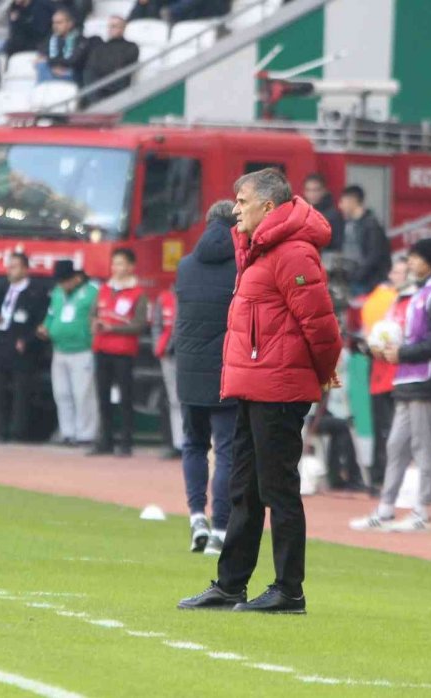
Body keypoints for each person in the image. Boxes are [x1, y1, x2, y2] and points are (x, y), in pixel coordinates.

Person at [179, 168, 341, 614]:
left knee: (278, 490)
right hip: (256, 383)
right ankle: (231, 584)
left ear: (268, 207)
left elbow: (321, 325)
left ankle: (289, 590)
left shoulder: (293, 253)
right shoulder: (259, 249)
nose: (235, 210)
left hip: (280, 388)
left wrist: (323, 372)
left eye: (242, 201)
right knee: (244, 490)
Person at [351, 238, 431, 533]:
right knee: (396, 444)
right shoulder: (418, 293)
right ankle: (386, 508)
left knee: (423, 446)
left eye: (415, 257)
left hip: (427, 380)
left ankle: (421, 511)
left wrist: (402, 353)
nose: (409, 262)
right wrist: (379, 348)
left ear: (429, 260)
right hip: (408, 378)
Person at [174, 201, 238, 555]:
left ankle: (197, 517)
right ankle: (221, 529)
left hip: (188, 369)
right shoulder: (243, 265)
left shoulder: (185, 266)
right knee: (226, 451)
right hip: (227, 370)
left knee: (194, 445)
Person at [359, 257, 411, 488]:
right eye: (397, 272)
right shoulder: (378, 300)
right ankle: (382, 476)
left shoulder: (409, 299)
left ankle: (393, 477)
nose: (399, 276)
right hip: (383, 373)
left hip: (403, 373)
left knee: (397, 429)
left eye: (404, 272)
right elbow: (370, 336)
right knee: (385, 427)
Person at [89, 248, 146, 457]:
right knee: (102, 397)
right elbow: (93, 313)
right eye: (114, 263)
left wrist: (113, 328)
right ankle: (105, 440)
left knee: (125, 397)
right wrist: (94, 323)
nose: (116, 268)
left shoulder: (138, 293)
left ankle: (126, 441)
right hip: (101, 348)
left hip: (123, 351)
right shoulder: (104, 289)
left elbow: (140, 324)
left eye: (121, 263)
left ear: (131, 267)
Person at [0, 253, 48, 442]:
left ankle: (17, 432)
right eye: (9, 266)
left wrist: (28, 340)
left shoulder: (36, 292)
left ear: (25, 269)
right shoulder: (2, 288)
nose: (9, 270)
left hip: (22, 345)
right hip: (3, 341)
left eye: (14, 266)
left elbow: (40, 320)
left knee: (21, 391)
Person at [38, 259, 98, 446]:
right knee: (62, 393)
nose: (61, 284)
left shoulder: (92, 293)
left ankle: (86, 434)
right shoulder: (57, 292)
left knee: (83, 394)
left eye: (65, 281)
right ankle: (67, 432)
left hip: (83, 350)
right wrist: (45, 327)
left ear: (77, 278)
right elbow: (51, 314)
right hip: (59, 349)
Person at [338, 184, 391, 297]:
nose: (340, 206)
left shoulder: (372, 225)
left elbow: (374, 255)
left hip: (367, 282)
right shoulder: (348, 223)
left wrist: (357, 276)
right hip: (352, 280)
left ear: (352, 201)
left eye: (343, 201)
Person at [152, 284, 182, 457]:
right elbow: (157, 325)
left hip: (188, 355)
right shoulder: (164, 298)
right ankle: (178, 443)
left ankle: (191, 443)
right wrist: (159, 346)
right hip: (167, 355)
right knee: (174, 400)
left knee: (189, 401)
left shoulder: (191, 295)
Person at [81, 15, 138, 104]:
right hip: (98, 92)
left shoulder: (131, 47)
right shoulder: (99, 48)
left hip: (117, 91)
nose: (111, 29)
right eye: (110, 26)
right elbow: (91, 69)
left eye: (114, 26)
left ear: (123, 28)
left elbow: (123, 67)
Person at [36, 8, 88, 84]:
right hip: (52, 71)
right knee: (42, 66)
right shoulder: (50, 39)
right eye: (54, 23)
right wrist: (53, 65)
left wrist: (51, 62)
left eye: (59, 23)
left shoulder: (80, 40)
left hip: (71, 75)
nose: (55, 26)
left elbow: (73, 60)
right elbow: (42, 54)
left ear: (70, 24)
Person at [302, 173, 344, 252]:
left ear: (324, 191)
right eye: (308, 190)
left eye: (316, 190)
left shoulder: (333, 215)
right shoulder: (300, 212)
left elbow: (337, 245)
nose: (312, 194)